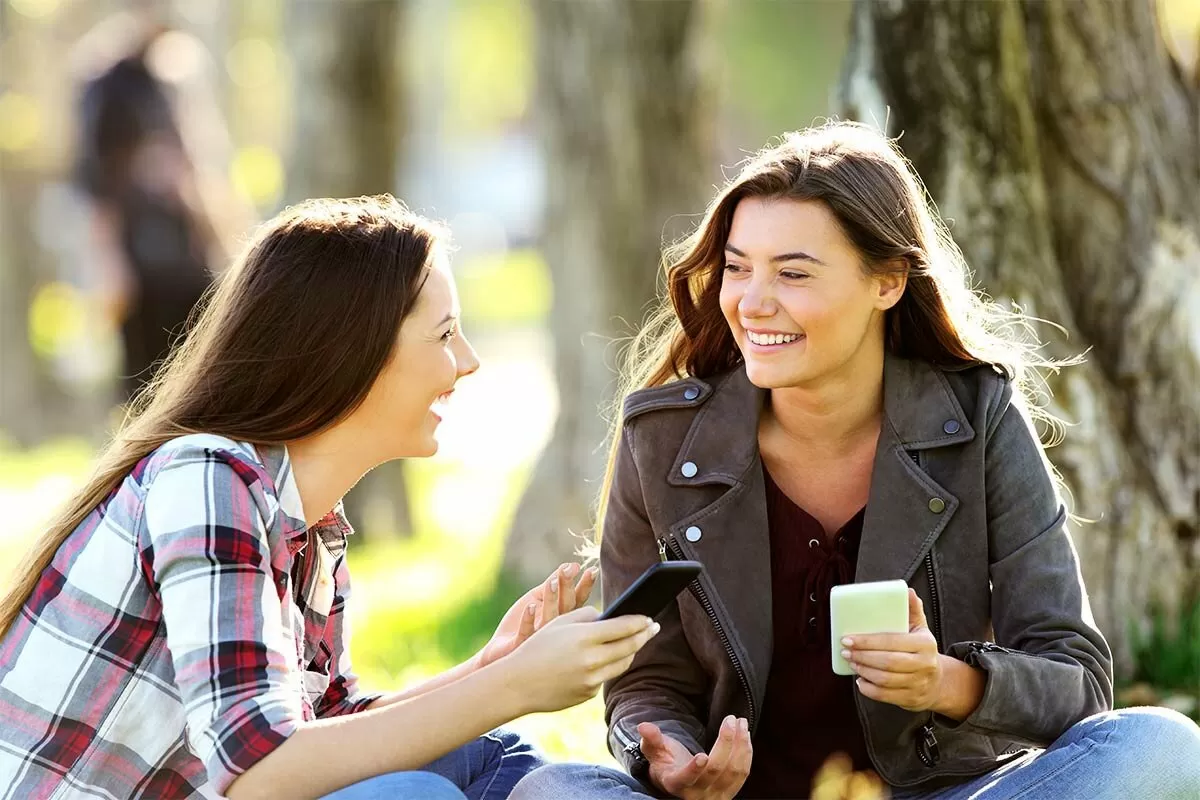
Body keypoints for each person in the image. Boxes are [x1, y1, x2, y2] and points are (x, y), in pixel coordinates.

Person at [509, 123, 1200, 799]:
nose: (752, 301)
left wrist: (945, 683)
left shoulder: (977, 420)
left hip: (940, 793)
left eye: (794, 273)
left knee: (1160, 745)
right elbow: (646, 682)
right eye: (738, 267)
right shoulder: (660, 439)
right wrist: (672, 762)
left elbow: (1076, 678)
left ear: (888, 281)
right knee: (554, 788)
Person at [0, 197, 660, 800]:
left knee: (489, 758)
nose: (468, 360)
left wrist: (490, 667)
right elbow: (259, 770)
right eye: (444, 334)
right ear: (353, 351)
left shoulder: (310, 526)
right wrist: (510, 687)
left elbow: (328, 728)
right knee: (414, 798)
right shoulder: (203, 476)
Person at [74, 20, 224, 402]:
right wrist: (109, 264)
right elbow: (97, 181)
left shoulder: (177, 75)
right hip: (142, 263)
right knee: (146, 391)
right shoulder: (107, 85)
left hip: (189, 261)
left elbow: (199, 170)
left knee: (200, 380)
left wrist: (220, 237)